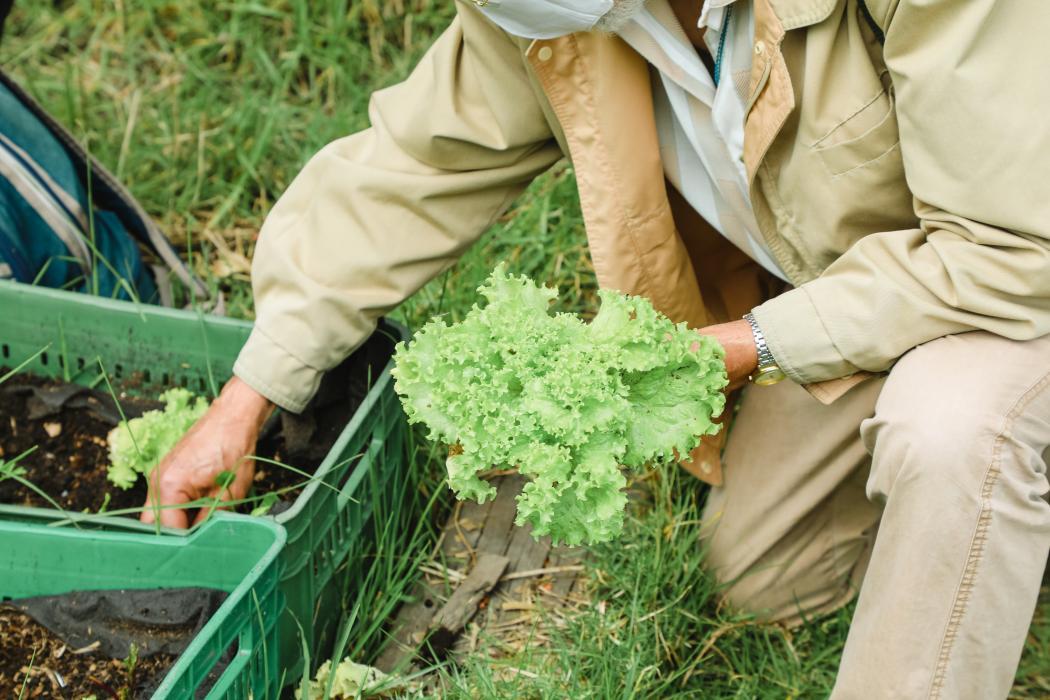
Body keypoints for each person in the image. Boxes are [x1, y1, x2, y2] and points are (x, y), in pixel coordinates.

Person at [144, 0, 1050, 696]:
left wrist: (746, 345)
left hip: (1017, 265)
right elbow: (415, 166)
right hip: (879, 283)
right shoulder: (576, 18)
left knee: (953, 431)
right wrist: (250, 395)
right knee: (762, 576)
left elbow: (1014, 250)